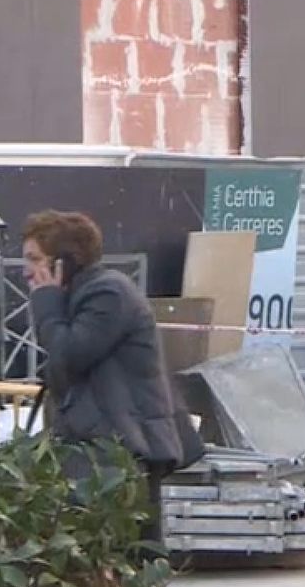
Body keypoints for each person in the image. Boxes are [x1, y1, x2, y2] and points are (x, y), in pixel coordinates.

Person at [25, 210, 192, 550]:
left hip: (119, 453)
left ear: (64, 263)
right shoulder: (77, 297)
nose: (27, 270)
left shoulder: (108, 294)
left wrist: (45, 302)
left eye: (34, 259)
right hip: (95, 446)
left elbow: (68, 355)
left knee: (115, 563)